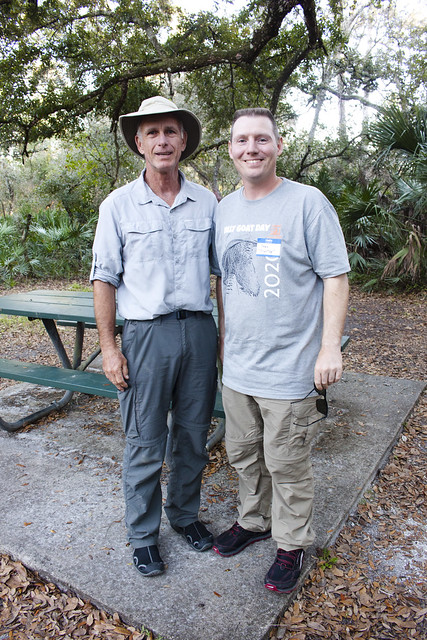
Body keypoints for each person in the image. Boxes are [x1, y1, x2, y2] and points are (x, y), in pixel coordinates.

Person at [213, 108, 350, 594]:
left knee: (287, 463)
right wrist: (226, 342)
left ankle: (290, 544)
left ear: (278, 144)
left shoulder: (308, 203)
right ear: (230, 149)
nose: (251, 148)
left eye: (261, 139)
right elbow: (224, 282)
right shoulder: (223, 209)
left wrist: (329, 347)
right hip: (239, 368)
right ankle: (253, 522)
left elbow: (335, 275)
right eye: (241, 140)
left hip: (290, 368)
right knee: (244, 455)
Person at [90, 96, 219, 577]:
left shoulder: (207, 201)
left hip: (199, 333)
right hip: (146, 336)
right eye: (152, 133)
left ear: (183, 140)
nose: (162, 140)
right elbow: (104, 278)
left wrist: (221, 338)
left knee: (192, 435)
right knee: (145, 439)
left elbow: (221, 274)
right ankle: (143, 534)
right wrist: (109, 347)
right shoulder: (118, 205)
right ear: (139, 143)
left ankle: (184, 516)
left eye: (171, 131)